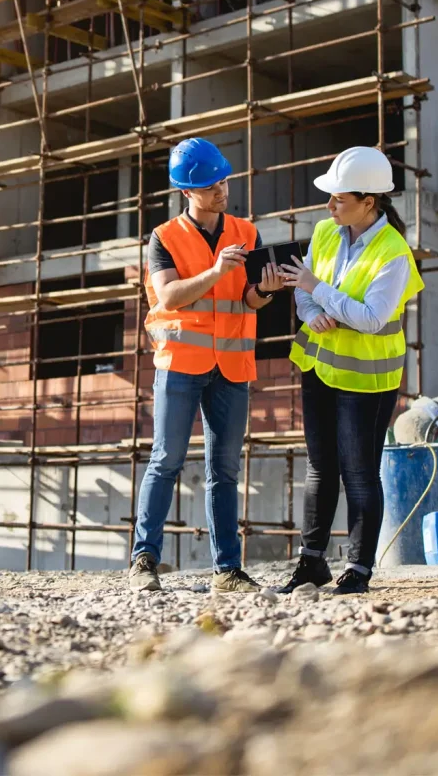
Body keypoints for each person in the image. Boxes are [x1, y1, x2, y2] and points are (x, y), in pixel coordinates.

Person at [130, 138, 285, 593]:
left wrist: (268, 289)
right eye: (210, 184)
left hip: (232, 368)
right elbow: (170, 295)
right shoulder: (165, 237)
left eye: (223, 180)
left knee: (225, 470)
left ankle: (228, 571)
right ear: (187, 191)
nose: (221, 189)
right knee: (166, 461)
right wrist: (216, 271)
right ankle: (144, 561)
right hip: (181, 364)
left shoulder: (247, 231)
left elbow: (248, 300)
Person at [280, 146, 424, 595]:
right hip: (319, 366)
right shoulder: (326, 231)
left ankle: (358, 571)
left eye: (339, 199)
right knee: (320, 469)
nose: (329, 206)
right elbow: (302, 287)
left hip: (367, 378)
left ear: (369, 201)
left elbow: (371, 317)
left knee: (360, 473)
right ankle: (311, 563)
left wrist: (316, 289)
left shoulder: (393, 251)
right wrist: (309, 310)